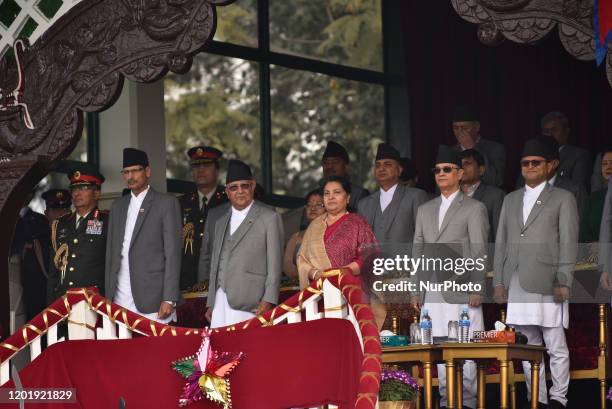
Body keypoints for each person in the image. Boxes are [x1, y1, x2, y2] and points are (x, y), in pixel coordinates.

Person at [494, 138, 578, 409]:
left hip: (549, 281)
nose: (529, 167)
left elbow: (568, 243)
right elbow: (502, 243)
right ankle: (537, 399)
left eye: (535, 162)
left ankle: (558, 398)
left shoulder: (564, 198)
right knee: (528, 345)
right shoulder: (510, 199)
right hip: (517, 281)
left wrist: (563, 279)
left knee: (555, 342)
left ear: (551, 165)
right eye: (525, 163)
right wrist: (499, 281)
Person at [410, 146, 489, 409]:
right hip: (432, 287)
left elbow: (479, 249)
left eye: (447, 169)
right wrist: (415, 290)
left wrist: (478, 286)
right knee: (439, 343)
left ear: (460, 173)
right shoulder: (425, 209)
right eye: (437, 170)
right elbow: (417, 252)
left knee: (465, 345)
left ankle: (467, 402)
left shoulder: (474, 207)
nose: (441, 174)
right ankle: (446, 401)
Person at [199, 160, 284, 328]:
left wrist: (269, 300)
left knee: (248, 351)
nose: (239, 192)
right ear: (227, 192)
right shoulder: (220, 221)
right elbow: (215, 264)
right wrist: (211, 301)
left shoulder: (269, 218)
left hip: (252, 302)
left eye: (244, 186)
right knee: (220, 351)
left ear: (252, 186)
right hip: (220, 302)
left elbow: (275, 265)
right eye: (234, 187)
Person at [105, 148, 182, 323]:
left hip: (153, 299)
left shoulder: (166, 203)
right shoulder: (118, 206)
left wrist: (169, 298)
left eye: (135, 171)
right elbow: (111, 254)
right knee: (123, 350)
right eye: (126, 172)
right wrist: (108, 297)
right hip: (119, 296)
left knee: (155, 350)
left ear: (147, 171)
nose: (130, 176)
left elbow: (172, 254)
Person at [298, 176, 383, 326]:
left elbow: (371, 257)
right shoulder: (314, 227)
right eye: (326, 193)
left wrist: (343, 272)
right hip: (320, 296)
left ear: (347, 197)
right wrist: (315, 273)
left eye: (336, 192)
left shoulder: (357, 223)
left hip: (350, 294)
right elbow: (302, 259)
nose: (331, 197)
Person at [47, 164, 108, 303]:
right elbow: (53, 272)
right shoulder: (60, 224)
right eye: (74, 188)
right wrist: (50, 304)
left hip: (93, 302)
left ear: (97, 193)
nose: (76, 193)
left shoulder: (108, 221)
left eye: (83, 188)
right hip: (62, 301)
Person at [358, 143, 427, 252]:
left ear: (399, 170)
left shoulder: (415, 196)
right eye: (378, 165)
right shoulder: (364, 204)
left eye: (387, 164)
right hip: (373, 268)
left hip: (406, 267)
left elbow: (424, 238)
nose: (381, 169)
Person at [178, 146, 228, 290]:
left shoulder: (228, 202)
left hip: (218, 283)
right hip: (185, 284)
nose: (200, 170)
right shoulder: (180, 204)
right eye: (196, 166)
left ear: (217, 170)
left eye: (206, 165)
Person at [11, 193, 51, 320]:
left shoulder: (40, 221)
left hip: (34, 280)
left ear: (31, 196)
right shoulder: (5, 218)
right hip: (10, 276)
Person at [451, 104, 505, 187]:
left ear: (476, 127)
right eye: (456, 128)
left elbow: (495, 181)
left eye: (465, 128)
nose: (460, 132)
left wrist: (473, 149)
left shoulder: (494, 149)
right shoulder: (451, 152)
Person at [460, 148, 505, 242]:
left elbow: (500, 236)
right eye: (459, 164)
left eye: (467, 163)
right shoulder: (450, 195)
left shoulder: (495, 196)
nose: (462, 167)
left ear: (481, 170)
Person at [541, 111, 592, 191]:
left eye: (554, 130)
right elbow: (520, 188)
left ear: (566, 132)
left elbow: (578, 189)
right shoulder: (534, 157)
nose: (550, 134)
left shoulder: (579, 155)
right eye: (546, 131)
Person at [283, 189, 325, 278]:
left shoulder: (335, 234)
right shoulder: (296, 236)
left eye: (318, 205)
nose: (313, 208)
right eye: (309, 205)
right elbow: (287, 264)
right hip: (300, 285)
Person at [321, 140, 370, 208]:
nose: (330, 166)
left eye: (335, 162)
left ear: (346, 167)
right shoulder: (317, 194)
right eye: (326, 163)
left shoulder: (359, 194)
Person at [580, 148, 612, 243]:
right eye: (604, 164)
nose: (608, 167)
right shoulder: (593, 199)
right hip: (596, 255)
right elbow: (583, 234)